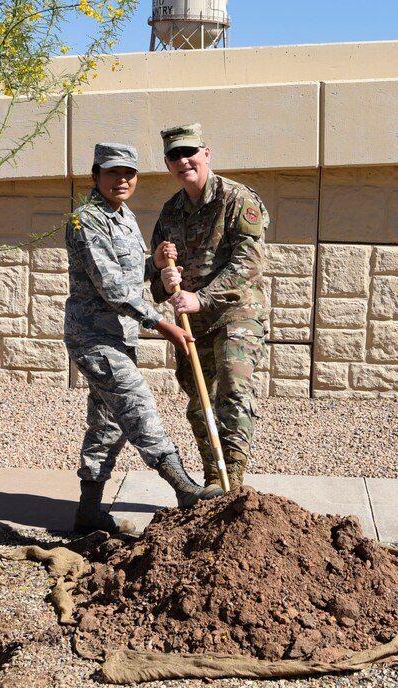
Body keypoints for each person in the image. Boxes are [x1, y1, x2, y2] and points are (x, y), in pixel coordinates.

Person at [65, 142, 221, 535]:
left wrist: (155, 265)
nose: (122, 180)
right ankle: (183, 487)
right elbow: (112, 286)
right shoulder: (85, 221)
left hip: (120, 337)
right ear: (95, 176)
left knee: (108, 424)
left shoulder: (125, 217)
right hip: (93, 338)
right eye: (112, 172)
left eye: (128, 173)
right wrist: (160, 324)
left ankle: (88, 510)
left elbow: (133, 276)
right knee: (136, 402)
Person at [150, 123, 270, 492]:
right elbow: (157, 276)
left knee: (232, 390)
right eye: (174, 156)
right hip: (195, 324)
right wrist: (163, 276)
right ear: (168, 164)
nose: (183, 160)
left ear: (206, 153)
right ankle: (213, 480)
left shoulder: (237, 199)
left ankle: (232, 481)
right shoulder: (170, 212)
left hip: (237, 314)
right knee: (199, 401)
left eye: (189, 152)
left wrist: (201, 298)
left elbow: (248, 263)